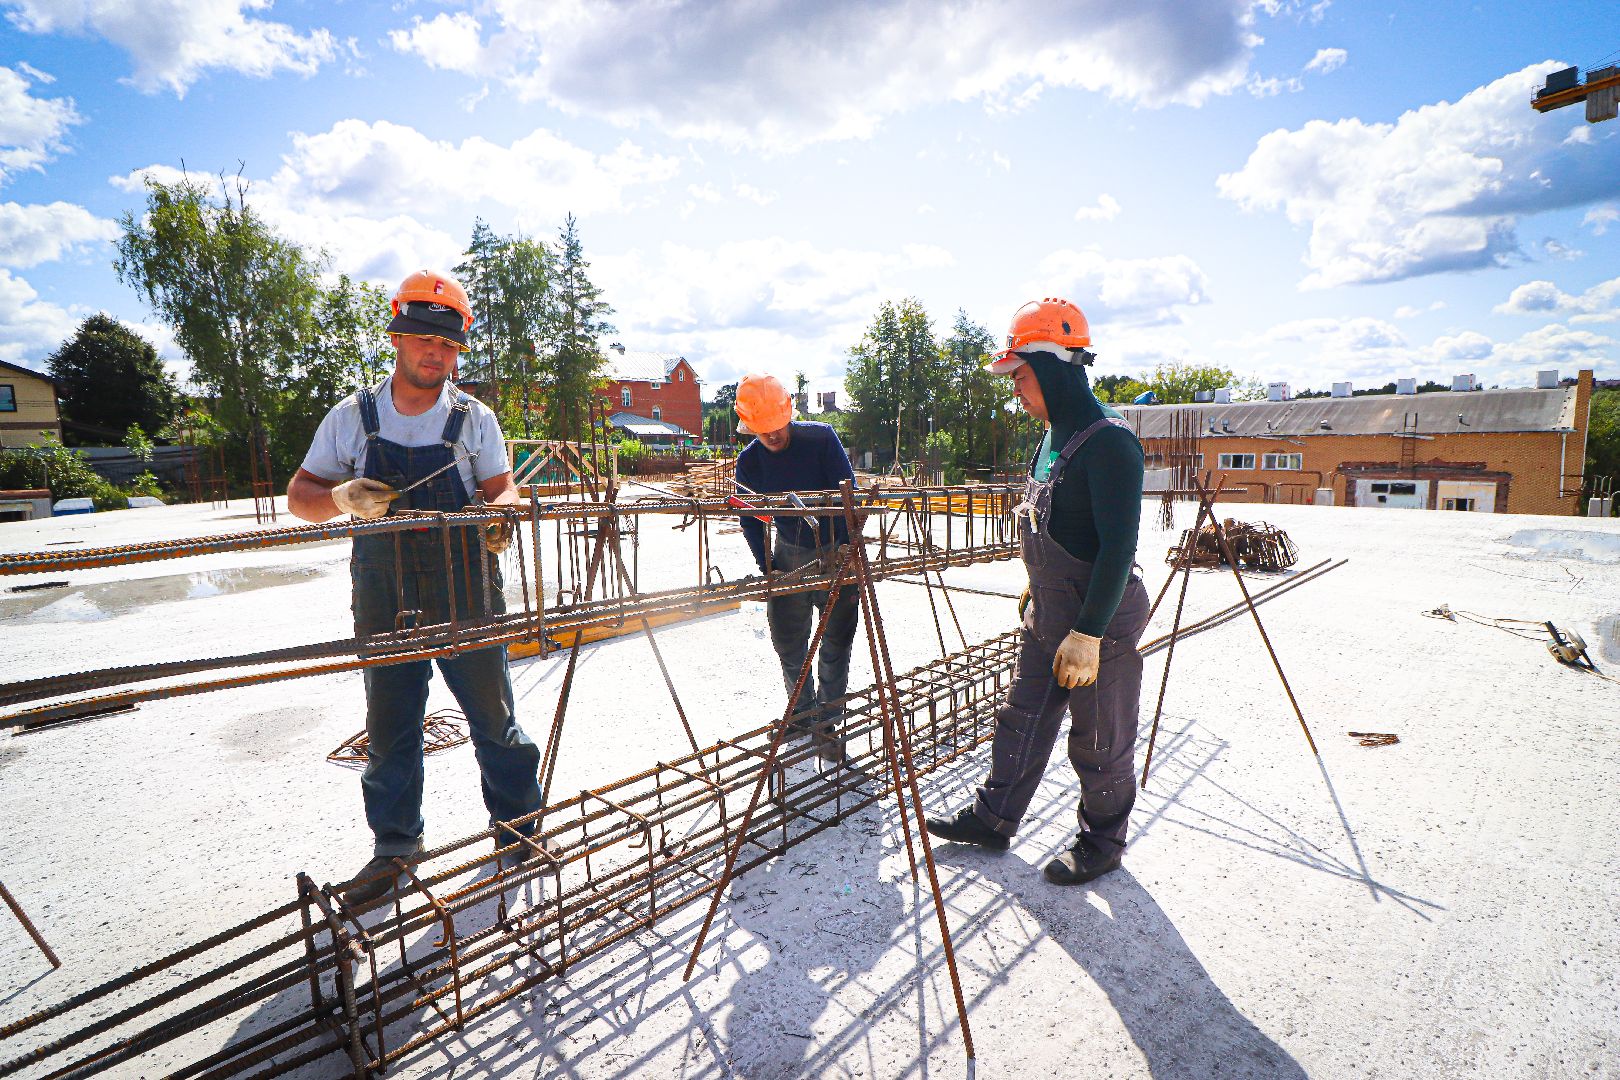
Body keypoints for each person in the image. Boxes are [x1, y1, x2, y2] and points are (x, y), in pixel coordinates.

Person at [287, 269, 544, 903]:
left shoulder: (474, 419)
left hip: (466, 584)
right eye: (425, 338)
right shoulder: (353, 418)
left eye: (449, 344)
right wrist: (340, 498)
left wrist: (502, 516)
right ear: (398, 338)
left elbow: (502, 489)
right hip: (385, 588)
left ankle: (519, 827)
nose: (436, 353)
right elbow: (299, 497)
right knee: (391, 727)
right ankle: (396, 848)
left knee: (494, 717)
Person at [924, 297, 1149, 886]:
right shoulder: (1053, 437)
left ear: (1051, 367)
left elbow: (1117, 549)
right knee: (1021, 719)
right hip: (1051, 609)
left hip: (1099, 617)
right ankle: (993, 819)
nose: (1016, 390)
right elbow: (1060, 523)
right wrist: (1036, 584)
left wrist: (1088, 633)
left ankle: (1102, 841)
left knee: (1099, 738)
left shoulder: (1109, 444)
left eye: (1021, 375)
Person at [733, 373, 860, 762]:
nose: (772, 435)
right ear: (750, 427)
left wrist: (844, 550)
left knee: (836, 641)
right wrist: (767, 566)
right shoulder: (749, 463)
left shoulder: (821, 439)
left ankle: (828, 721)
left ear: (788, 414)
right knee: (789, 642)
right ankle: (802, 715)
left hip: (836, 549)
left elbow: (850, 496)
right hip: (788, 553)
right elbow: (750, 519)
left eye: (777, 426)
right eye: (763, 430)